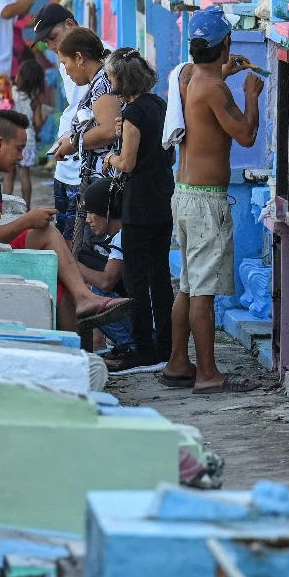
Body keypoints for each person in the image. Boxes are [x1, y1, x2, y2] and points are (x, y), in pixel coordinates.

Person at [0, 110, 135, 331]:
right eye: (19, 149)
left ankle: (79, 319)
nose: (22, 157)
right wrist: (27, 221)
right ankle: (84, 301)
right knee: (47, 234)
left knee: (57, 271)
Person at [161, 7, 263, 394]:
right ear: (225, 45)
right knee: (201, 292)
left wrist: (225, 72)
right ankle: (207, 373)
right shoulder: (215, 88)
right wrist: (250, 94)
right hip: (205, 202)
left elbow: (202, 80)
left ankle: (177, 363)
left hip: (184, 195)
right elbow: (245, 135)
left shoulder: (188, 79)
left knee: (188, 285)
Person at [101, 49, 175, 372]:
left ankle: (144, 347)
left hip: (139, 205)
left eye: (112, 76)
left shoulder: (132, 113)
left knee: (136, 278)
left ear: (122, 79)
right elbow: (168, 153)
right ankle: (168, 346)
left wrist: (109, 158)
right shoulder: (160, 106)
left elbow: (127, 162)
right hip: (162, 198)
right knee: (160, 276)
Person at [32, 4, 109, 242]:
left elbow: (108, 126)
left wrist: (74, 141)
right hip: (66, 164)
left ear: (70, 24)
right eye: (48, 43)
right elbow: (74, 109)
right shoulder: (65, 62)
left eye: (53, 38)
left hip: (89, 168)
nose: (53, 47)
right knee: (66, 238)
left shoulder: (109, 64)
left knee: (86, 244)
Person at [52, 28, 121, 254]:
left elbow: (110, 129)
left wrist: (73, 141)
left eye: (66, 63)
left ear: (79, 58)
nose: (66, 71)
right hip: (97, 182)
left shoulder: (103, 84)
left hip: (105, 184)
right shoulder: (96, 83)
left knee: (95, 253)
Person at [76, 178, 137, 362]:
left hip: (146, 325)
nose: (88, 220)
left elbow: (106, 281)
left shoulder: (122, 237)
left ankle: (130, 346)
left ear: (107, 212)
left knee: (92, 294)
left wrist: (73, 266)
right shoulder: (117, 236)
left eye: (92, 213)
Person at [3, 60, 46, 208]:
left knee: (9, 174)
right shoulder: (34, 99)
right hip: (28, 138)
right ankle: (26, 207)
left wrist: (3, 77)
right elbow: (38, 123)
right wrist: (43, 118)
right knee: (24, 174)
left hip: (11, 136)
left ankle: (5, 206)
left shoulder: (13, 92)